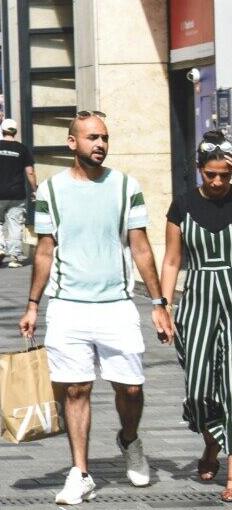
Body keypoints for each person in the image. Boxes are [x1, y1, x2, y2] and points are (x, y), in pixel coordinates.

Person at [19, 111, 168, 505]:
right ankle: (80, 472)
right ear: (73, 143)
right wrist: (33, 304)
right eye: (91, 138)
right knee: (75, 388)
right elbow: (45, 251)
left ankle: (129, 439)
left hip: (117, 305)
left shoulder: (125, 186)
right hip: (68, 305)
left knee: (131, 388)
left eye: (104, 137)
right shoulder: (51, 191)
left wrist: (158, 303)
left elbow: (140, 246)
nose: (100, 144)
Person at [159, 132, 232, 498]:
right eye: (211, 174)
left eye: (225, 175)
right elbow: (172, 260)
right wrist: (163, 305)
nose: (218, 182)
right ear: (200, 170)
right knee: (200, 388)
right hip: (199, 301)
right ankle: (212, 443)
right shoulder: (183, 206)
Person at [0, 119, 36, 268]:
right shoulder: (22, 149)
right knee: (15, 224)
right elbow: (30, 172)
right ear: (15, 131)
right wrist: (34, 190)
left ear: (2, 130)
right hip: (17, 192)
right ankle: (14, 257)